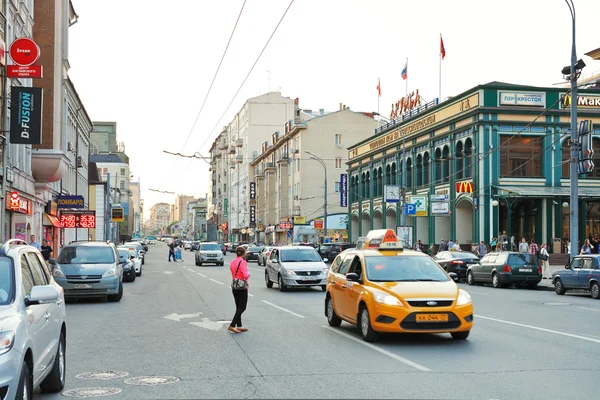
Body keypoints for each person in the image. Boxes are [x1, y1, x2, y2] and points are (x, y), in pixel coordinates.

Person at [229, 246, 250, 334]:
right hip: (241, 287)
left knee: (238, 306)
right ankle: (232, 325)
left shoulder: (233, 262)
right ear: (244, 253)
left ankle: (239, 325)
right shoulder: (243, 262)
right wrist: (248, 274)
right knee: (242, 307)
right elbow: (245, 275)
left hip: (234, 286)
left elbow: (232, 271)